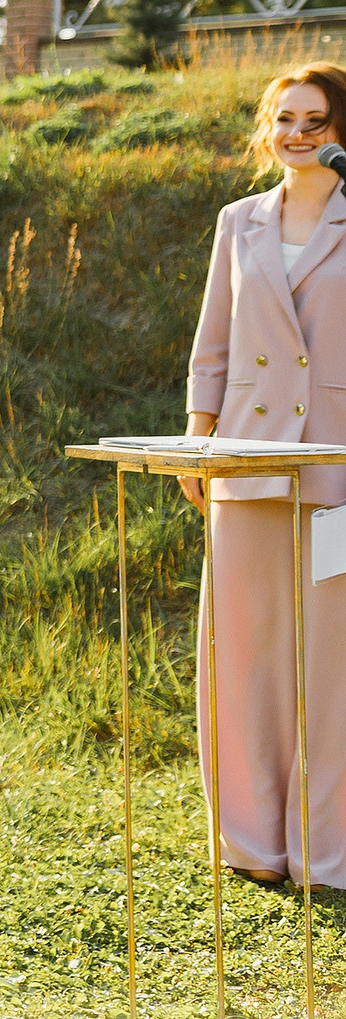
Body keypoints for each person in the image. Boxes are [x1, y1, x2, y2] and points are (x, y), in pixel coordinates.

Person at [183, 61, 346, 889]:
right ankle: (251, 842)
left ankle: (328, 852)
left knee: (331, 663)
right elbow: (214, 340)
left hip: (337, 467)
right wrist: (198, 432)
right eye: (285, 118)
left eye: (314, 119)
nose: (296, 134)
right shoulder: (237, 221)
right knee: (243, 653)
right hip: (244, 460)